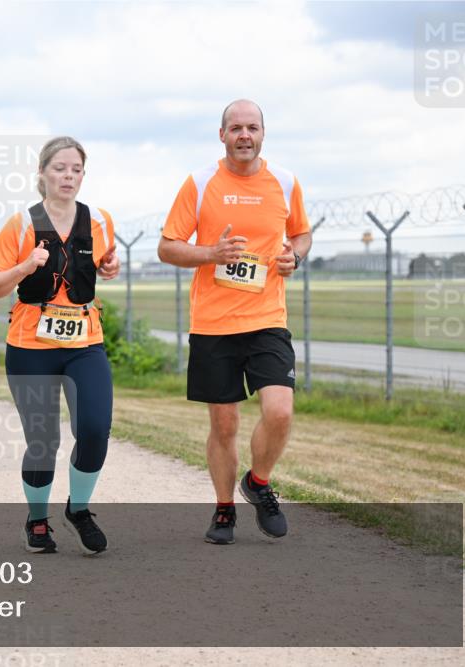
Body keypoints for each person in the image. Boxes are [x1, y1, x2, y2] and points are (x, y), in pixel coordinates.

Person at [157, 99, 313, 546]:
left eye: (253, 127)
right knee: (224, 426)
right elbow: (167, 247)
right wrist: (211, 254)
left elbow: (301, 232)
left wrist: (294, 255)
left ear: (263, 134)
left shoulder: (284, 181)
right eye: (236, 128)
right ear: (221, 135)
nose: (245, 135)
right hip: (213, 324)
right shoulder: (201, 182)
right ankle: (224, 510)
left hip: (267, 319)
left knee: (280, 411)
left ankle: (259, 483)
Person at [0, 136, 120, 556]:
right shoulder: (21, 224)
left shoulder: (99, 219)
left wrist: (111, 266)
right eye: (60, 168)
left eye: (76, 169)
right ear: (42, 174)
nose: (69, 176)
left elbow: (104, 262)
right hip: (30, 344)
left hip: (85, 341)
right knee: (44, 440)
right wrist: (25, 266)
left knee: (95, 430)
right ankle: (37, 520)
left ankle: (78, 510)